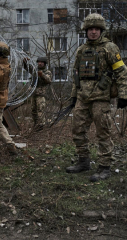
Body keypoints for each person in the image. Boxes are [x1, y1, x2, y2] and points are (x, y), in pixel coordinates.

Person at [67, 13, 127, 182]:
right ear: (86, 31)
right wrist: (73, 96)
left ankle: (104, 167)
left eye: (96, 29)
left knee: (103, 133)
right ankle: (83, 162)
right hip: (82, 98)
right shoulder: (81, 50)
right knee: (77, 130)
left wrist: (123, 94)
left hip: (101, 98)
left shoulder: (110, 48)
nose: (93, 32)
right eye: (90, 29)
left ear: (101, 30)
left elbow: (122, 72)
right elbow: (76, 75)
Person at [22, 56, 52, 130]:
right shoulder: (35, 70)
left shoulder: (47, 72)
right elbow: (27, 68)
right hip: (34, 93)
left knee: (40, 109)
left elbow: (48, 80)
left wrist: (42, 75)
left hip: (41, 94)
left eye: (42, 62)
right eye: (39, 62)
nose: (40, 63)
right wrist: (24, 62)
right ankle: (36, 124)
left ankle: (41, 125)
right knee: (33, 110)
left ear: (45, 63)